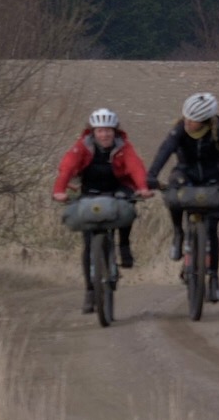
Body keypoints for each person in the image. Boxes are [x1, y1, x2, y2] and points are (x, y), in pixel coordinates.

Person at [147, 92, 219, 303]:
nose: (187, 121)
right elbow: (164, 150)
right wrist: (151, 175)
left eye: (192, 119)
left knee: (212, 230)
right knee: (173, 196)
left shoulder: (218, 131)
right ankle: (178, 233)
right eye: (185, 117)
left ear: (204, 120)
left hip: (211, 180)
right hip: (184, 175)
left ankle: (213, 276)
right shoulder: (179, 129)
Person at [54, 108, 149, 313]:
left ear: (115, 131)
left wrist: (142, 187)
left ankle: (124, 246)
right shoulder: (82, 147)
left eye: (108, 130)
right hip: (90, 191)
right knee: (88, 244)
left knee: (128, 207)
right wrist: (59, 190)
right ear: (92, 132)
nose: (104, 135)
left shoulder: (124, 147)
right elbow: (67, 167)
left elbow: (135, 167)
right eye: (100, 131)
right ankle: (90, 291)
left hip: (117, 189)